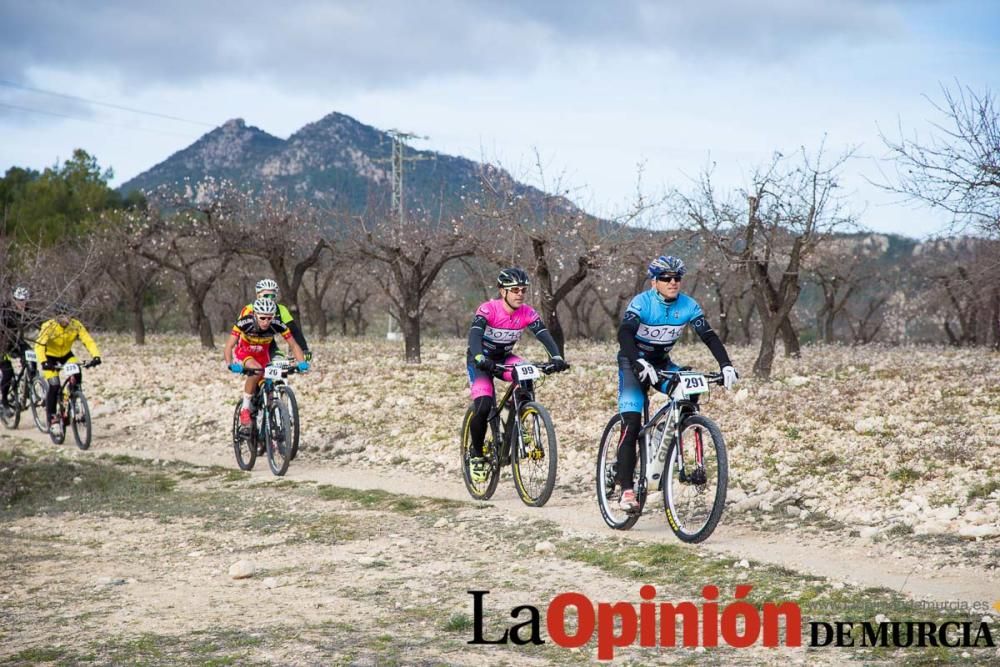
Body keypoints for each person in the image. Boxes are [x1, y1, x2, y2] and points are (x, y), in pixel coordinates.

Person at [615, 255, 738, 511]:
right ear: (655, 281)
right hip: (633, 362)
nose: (673, 282)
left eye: (677, 278)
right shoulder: (642, 303)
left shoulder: (689, 305)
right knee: (632, 418)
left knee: (690, 387)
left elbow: (709, 335)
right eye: (666, 278)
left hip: (661, 363)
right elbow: (624, 333)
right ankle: (626, 489)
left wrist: (725, 364)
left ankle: (663, 432)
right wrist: (638, 360)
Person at [465, 268, 569, 482]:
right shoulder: (488, 309)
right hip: (480, 360)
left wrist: (556, 357)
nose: (520, 294)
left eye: (523, 290)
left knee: (527, 374)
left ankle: (521, 420)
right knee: (483, 405)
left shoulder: (527, 313)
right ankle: (476, 455)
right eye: (514, 290)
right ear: (502, 291)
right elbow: (474, 336)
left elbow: (543, 334)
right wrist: (479, 358)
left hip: (504, 357)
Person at [224, 297, 309, 432]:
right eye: (262, 318)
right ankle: (245, 409)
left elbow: (293, 344)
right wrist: (230, 364)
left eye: (269, 318)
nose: (266, 322)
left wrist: (302, 362)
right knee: (256, 371)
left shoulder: (277, 324)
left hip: (263, 355)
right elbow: (229, 346)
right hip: (245, 353)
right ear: (255, 314)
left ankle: (267, 425)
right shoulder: (244, 323)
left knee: (270, 390)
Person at [35, 302, 102, 436]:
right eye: (63, 316)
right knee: (54, 385)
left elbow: (87, 340)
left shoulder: (75, 325)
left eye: (69, 315)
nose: (67, 319)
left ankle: (72, 396)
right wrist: (43, 362)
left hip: (66, 355)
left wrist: (96, 356)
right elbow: (39, 345)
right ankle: (52, 419)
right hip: (49, 357)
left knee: (77, 373)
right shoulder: (48, 326)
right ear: (57, 317)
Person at [237, 279, 311, 361]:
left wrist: (304, 349)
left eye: (272, 296)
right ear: (258, 295)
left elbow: (294, 331)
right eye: (266, 296)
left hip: (269, 344)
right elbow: (239, 332)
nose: (269, 299)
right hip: (248, 345)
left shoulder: (281, 309)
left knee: (280, 364)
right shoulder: (248, 309)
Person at [1, 287, 35, 418]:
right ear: (14, 300)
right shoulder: (5, 312)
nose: (22, 303)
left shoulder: (28, 312)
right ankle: (4, 402)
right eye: (19, 301)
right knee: (8, 372)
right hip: (2, 344)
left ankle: (32, 382)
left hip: (15, 342)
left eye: (24, 301)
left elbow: (38, 324)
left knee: (31, 356)